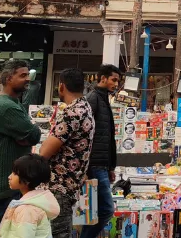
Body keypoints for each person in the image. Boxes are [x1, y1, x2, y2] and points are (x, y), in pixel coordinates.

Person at [0, 60, 42, 238]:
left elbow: (28, 134)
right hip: (4, 183)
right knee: (0, 230)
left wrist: (24, 137)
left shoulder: (10, 102)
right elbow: (34, 135)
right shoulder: (6, 107)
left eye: (27, 75)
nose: (27, 79)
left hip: (7, 180)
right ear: (9, 78)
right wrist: (26, 136)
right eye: (22, 75)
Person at [39, 69, 95, 238]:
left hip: (59, 186)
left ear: (61, 86)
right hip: (71, 184)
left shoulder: (71, 113)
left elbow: (44, 152)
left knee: (58, 232)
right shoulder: (85, 107)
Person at [82, 64, 120, 238]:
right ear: (102, 78)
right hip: (94, 165)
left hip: (101, 165)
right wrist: (86, 168)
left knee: (94, 211)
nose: (116, 83)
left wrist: (111, 166)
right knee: (106, 209)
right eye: (113, 79)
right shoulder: (93, 99)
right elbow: (84, 134)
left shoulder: (104, 99)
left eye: (118, 80)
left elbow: (108, 136)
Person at [0, 154, 59, 238]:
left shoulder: (26, 209)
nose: (9, 177)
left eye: (15, 173)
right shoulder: (35, 203)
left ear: (27, 179)